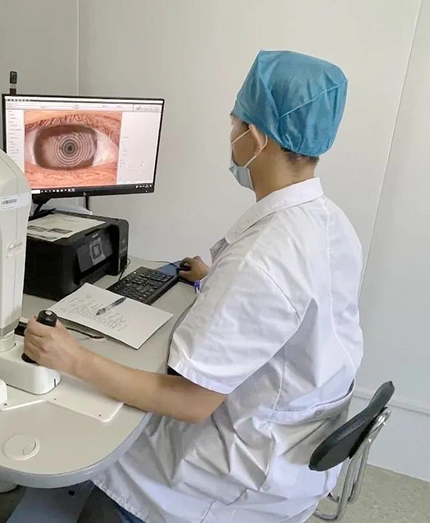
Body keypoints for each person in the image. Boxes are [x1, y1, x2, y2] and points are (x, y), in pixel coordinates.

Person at [25, 50, 363, 523]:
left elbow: (190, 402)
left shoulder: (261, 261)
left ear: (255, 138)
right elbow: (296, 308)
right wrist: (215, 280)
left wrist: (73, 358)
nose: (231, 135)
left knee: (98, 432)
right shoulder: (331, 223)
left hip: (242, 468)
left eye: (234, 124)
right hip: (295, 438)